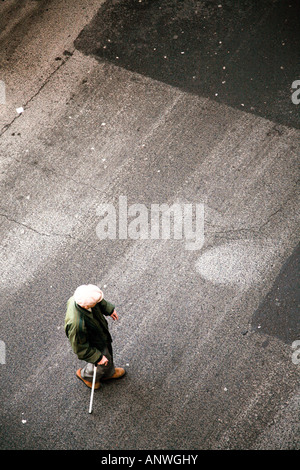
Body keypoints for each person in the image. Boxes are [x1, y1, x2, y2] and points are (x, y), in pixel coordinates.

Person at [65, 284, 125, 389]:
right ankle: (87, 377)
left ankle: (108, 373)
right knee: (101, 361)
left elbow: (99, 302)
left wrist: (109, 310)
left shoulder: (80, 298)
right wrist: (97, 357)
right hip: (93, 342)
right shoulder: (76, 325)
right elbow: (80, 348)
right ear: (87, 306)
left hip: (98, 334)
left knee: (107, 355)